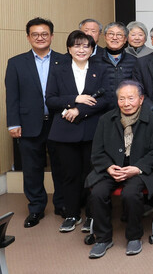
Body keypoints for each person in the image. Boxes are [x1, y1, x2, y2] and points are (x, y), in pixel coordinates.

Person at [85, 80, 153, 258]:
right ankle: (103, 238)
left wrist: (137, 168)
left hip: (141, 170)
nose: (126, 103)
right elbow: (97, 151)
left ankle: (134, 236)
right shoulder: (106, 120)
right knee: (98, 192)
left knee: (131, 193)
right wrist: (108, 167)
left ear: (141, 99)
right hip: (112, 168)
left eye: (131, 98)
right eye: (122, 99)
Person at [5, 18, 67, 227]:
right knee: (32, 169)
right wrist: (13, 123)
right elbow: (12, 96)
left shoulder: (64, 60)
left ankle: (62, 204)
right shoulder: (16, 63)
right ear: (28, 37)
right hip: (29, 123)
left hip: (59, 122)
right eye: (35, 34)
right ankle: (36, 208)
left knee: (61, 166)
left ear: (51, 36)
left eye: (44, 34)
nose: (40, 38)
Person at [46, 30, 110, 232]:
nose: (81, 50)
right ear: (68, 48)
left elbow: (105, 99)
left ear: (92, 49)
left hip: (93, 130)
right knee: (70, 174)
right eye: (76, 45)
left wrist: (78, 110)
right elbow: (50, 99)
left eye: (86, 46)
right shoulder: (58, 69)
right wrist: (75, 99)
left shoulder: (101, 69)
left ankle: (92, 215)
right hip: (65, 131)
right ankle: (72, 214)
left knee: (92, 174)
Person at [97, 22, 137, 108]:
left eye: (119, 35)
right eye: (111, 34)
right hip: (100, 109)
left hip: (126, 108)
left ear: (125, 39)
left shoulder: (134, 61)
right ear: (105, 37)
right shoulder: (94, 60)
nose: (114, 38)